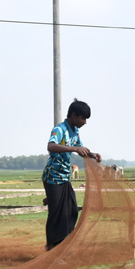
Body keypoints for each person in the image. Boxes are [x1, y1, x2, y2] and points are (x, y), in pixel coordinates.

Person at [42, 99, 100, 250]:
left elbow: (80, 148)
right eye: (83, 118)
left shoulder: (75, 131)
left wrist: (92, 155)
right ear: (73, 115)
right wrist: (74, 149)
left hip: (64, 176)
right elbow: (51, 146)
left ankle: (64, 242)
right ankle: (52, 245)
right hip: (53, 177)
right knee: (56, 213)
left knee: (72, 209)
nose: (85, 122)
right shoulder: (60, 129)